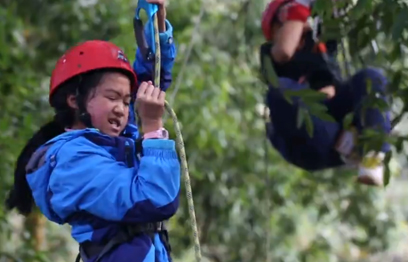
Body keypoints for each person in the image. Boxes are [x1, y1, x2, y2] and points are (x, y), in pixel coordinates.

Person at [5, 1, 180, 261]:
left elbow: (148, 81)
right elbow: (155, 200)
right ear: (75, 101)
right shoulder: (72, 161)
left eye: (125, 100)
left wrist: (157, 28)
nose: (123, 109)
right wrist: (153, 129)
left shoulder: (106, 135)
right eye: (112, 97)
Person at [260, 0, 391, 186]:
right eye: (286, 18)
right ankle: (346, 144)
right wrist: (300, 5)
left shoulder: (320, 44)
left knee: (371, 78)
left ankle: (372, 155)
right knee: (281, 91)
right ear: (274, 31)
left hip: (334, 121)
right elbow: (284, 51)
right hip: (305, 138)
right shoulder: (272, 55)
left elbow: (335, 12)